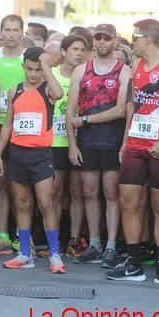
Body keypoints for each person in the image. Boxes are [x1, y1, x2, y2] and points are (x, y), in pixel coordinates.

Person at [107, 19, 159, 286]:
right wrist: (125, 141)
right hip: (135, 144)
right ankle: (133, 263)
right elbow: (134, 105)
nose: (132, 42)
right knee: (128, 202)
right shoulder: (136, 66)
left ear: (149, 39)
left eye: (135, 37)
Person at [0, 47, 66, 273]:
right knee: (22, 204)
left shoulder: (47, 90)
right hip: (17, 153)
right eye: (30, 69)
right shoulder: (14, 90)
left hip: (41, 154)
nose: (34, 74)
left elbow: (60, 93)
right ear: (23, 67)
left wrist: (47, 67)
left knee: (46, 204)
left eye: (37, 69)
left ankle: (55, 255)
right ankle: (25, 253)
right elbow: (8, 124)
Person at [67, 24, 131, 269]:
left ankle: (111, 246)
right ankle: (94, 243)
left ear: (115, 41)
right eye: (98, 38)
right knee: (89, 191)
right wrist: (72, 144)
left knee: (111, 192)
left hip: (111, 140)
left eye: (106, 38)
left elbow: (121, 109)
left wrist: (86, 120)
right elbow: (70, 110)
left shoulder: (124, 71)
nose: (102, 42)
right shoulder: (81, 70)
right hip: (87, 141)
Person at [0, 14, 26, 256]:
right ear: (1, 32)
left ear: (22, 32)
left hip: (22, 127)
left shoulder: (28, 57)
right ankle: (2, 236)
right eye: (6, 30)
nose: (10, 34)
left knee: (20, 187)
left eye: (15, 30)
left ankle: (23, 234)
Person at [49, 35, 87, 259]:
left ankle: (73, 239)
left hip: (80, 141)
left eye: (83, 49)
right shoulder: (52, 74)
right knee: (54, 192)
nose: (79, 53)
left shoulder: (87, 75)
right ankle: (53, 240)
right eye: (75, 49)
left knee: (77, 192)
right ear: (63, 52)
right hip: (55, 141)